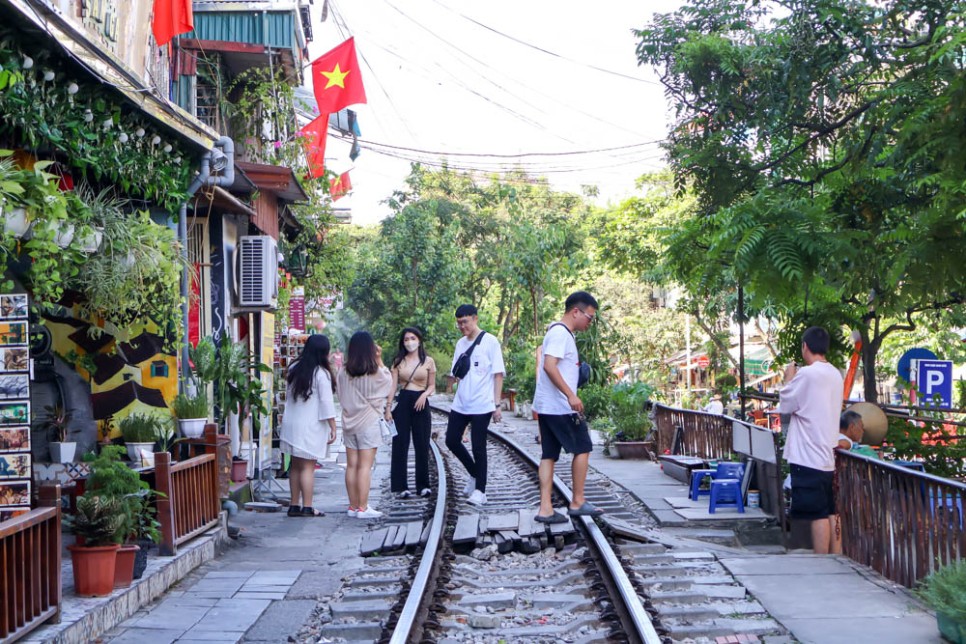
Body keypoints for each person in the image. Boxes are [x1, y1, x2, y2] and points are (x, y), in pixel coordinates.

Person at [533, 291, 603, 523]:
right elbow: (549, 366)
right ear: (576, 311)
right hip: (561, 407)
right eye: (589, 317)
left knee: (549, 455)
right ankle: (578, 501)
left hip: (549, 407)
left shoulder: (559, 333)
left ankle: (545, 509)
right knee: (583, 447)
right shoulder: (560, 334)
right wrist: (571, 395)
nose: (589, 322)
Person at [778, 326, 844, 554]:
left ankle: (821, 560)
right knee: (830, 510)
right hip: (826, 453)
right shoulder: (835, 374)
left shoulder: (807, 374)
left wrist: (787, 379)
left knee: (816, 513)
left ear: (805, 347)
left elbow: (786, 405)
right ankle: (837, 557)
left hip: (807, 454)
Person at [444, 304, 505, 506]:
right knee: (451, 440)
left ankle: (481, 490)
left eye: (465, 322)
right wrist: (449, 385)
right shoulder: (461, 344)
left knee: (479, 447)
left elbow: (498, 374)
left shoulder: (490, 342)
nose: (462, 326)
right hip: (461, 402)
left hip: (482, 403)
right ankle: (474, 473)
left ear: (475, 319)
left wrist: (497, 404)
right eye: (459, 323)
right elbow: (456, 372)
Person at [279, 334, 338, 517]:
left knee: (295, 466)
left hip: (291, 424)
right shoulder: (321, 373)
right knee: (307, 468)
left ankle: (294, 505)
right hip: (310, 425)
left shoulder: (294, 368)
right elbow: (327, 403)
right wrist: (333, 426)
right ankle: (308, 506)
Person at [336, 331, 392, 519]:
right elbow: (389, 382)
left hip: (349, 422)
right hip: (368, 423)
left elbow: (340, 396)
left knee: (352, 466)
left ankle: (352, 507)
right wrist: (380, 359)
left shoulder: (343, 372)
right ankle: (363, 507)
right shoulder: (376, 372)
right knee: (365, 467)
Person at [385, 327, 437, 498]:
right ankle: (401, 487)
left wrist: (425, 395)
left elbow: (432, 385)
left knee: (422, 444)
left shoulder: (428, 361)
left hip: (421, 402)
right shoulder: (398, 361)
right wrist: (388, 408)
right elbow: (393, 386)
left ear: (419, 340)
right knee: (400, 444)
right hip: (404, 400)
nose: (409, 342)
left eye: (412, 338)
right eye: (406, 339)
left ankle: (423, 485)